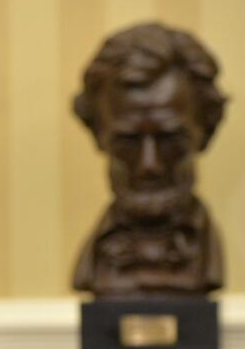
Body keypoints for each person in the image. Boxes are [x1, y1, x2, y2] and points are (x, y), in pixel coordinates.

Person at [72, 21, 227, 296]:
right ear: (98, 134)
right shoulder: (95, 261)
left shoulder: (204, 255)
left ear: (205, 133)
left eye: (170, 141)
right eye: (127, 142)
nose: (149, 165)